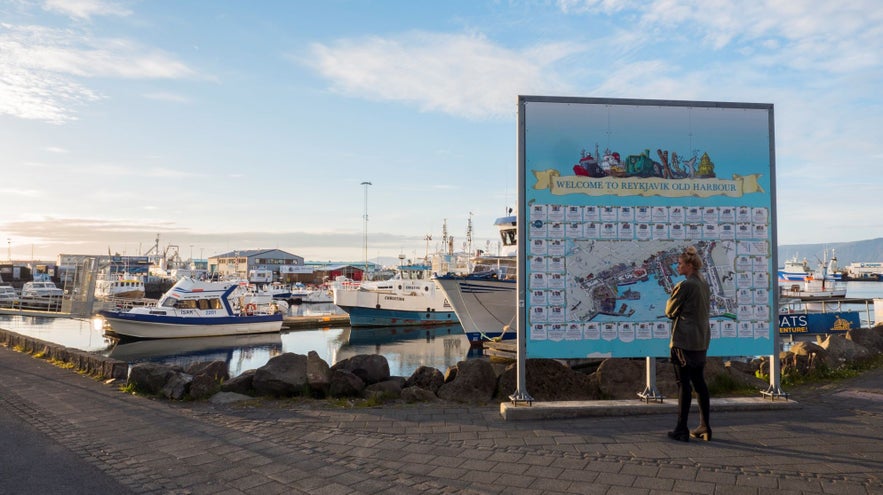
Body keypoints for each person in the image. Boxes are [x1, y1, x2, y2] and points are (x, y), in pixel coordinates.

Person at [665, 245, 712, 442]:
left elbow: (670, 311)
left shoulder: (685, 286)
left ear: (690, 266)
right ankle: (704, 426)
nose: (677, 267)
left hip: (684, 341)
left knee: (683, 385)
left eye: (680, 264)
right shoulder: (703, 283)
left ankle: (681, 428)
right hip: (701, 339)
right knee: (699, 383)